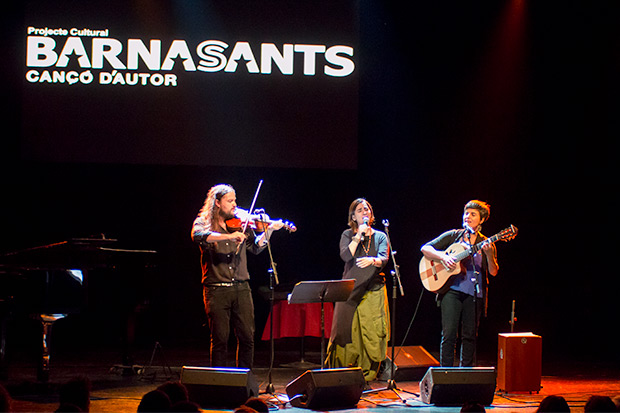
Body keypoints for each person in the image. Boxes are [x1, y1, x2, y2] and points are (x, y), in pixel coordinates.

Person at [191, 184, 283, 368]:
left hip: (241, 288)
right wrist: (229, 237)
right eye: (230, 200)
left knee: (248, 338)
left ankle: (244, 381)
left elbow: (256, 247)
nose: (235, 205)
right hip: (216, 290)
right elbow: (198, 236)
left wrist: (269, 230)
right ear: (217, 202)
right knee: (220, 340)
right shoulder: (204, 222)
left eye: (235, 200)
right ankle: (219, 383)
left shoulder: (240, 223)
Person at [420, 200, 499, 367]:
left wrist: (490, 254)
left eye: (473, 214)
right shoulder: (453, 235)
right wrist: (444, 257)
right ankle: (446, 374)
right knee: (449, 335)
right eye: (466, 213)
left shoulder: (486, 242)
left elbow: (493, 271)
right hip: (452, 291)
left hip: (474, 294)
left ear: (482, 220)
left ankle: (465, 374)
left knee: (469, 335)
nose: (467, 216)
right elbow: (425, 248)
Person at [326, 198, 390, 383]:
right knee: (347, 328)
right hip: (350, 289)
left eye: (367, 209)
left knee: (370, 329)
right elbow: (346, 255)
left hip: (373, 288)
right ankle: (344, 370)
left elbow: (384, 259)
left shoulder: (380, 236)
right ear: (353, 216)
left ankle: (368, 371)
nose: (365, 212)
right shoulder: (347, 234)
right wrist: (358, 235)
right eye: (360, 210)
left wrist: (373, 261)